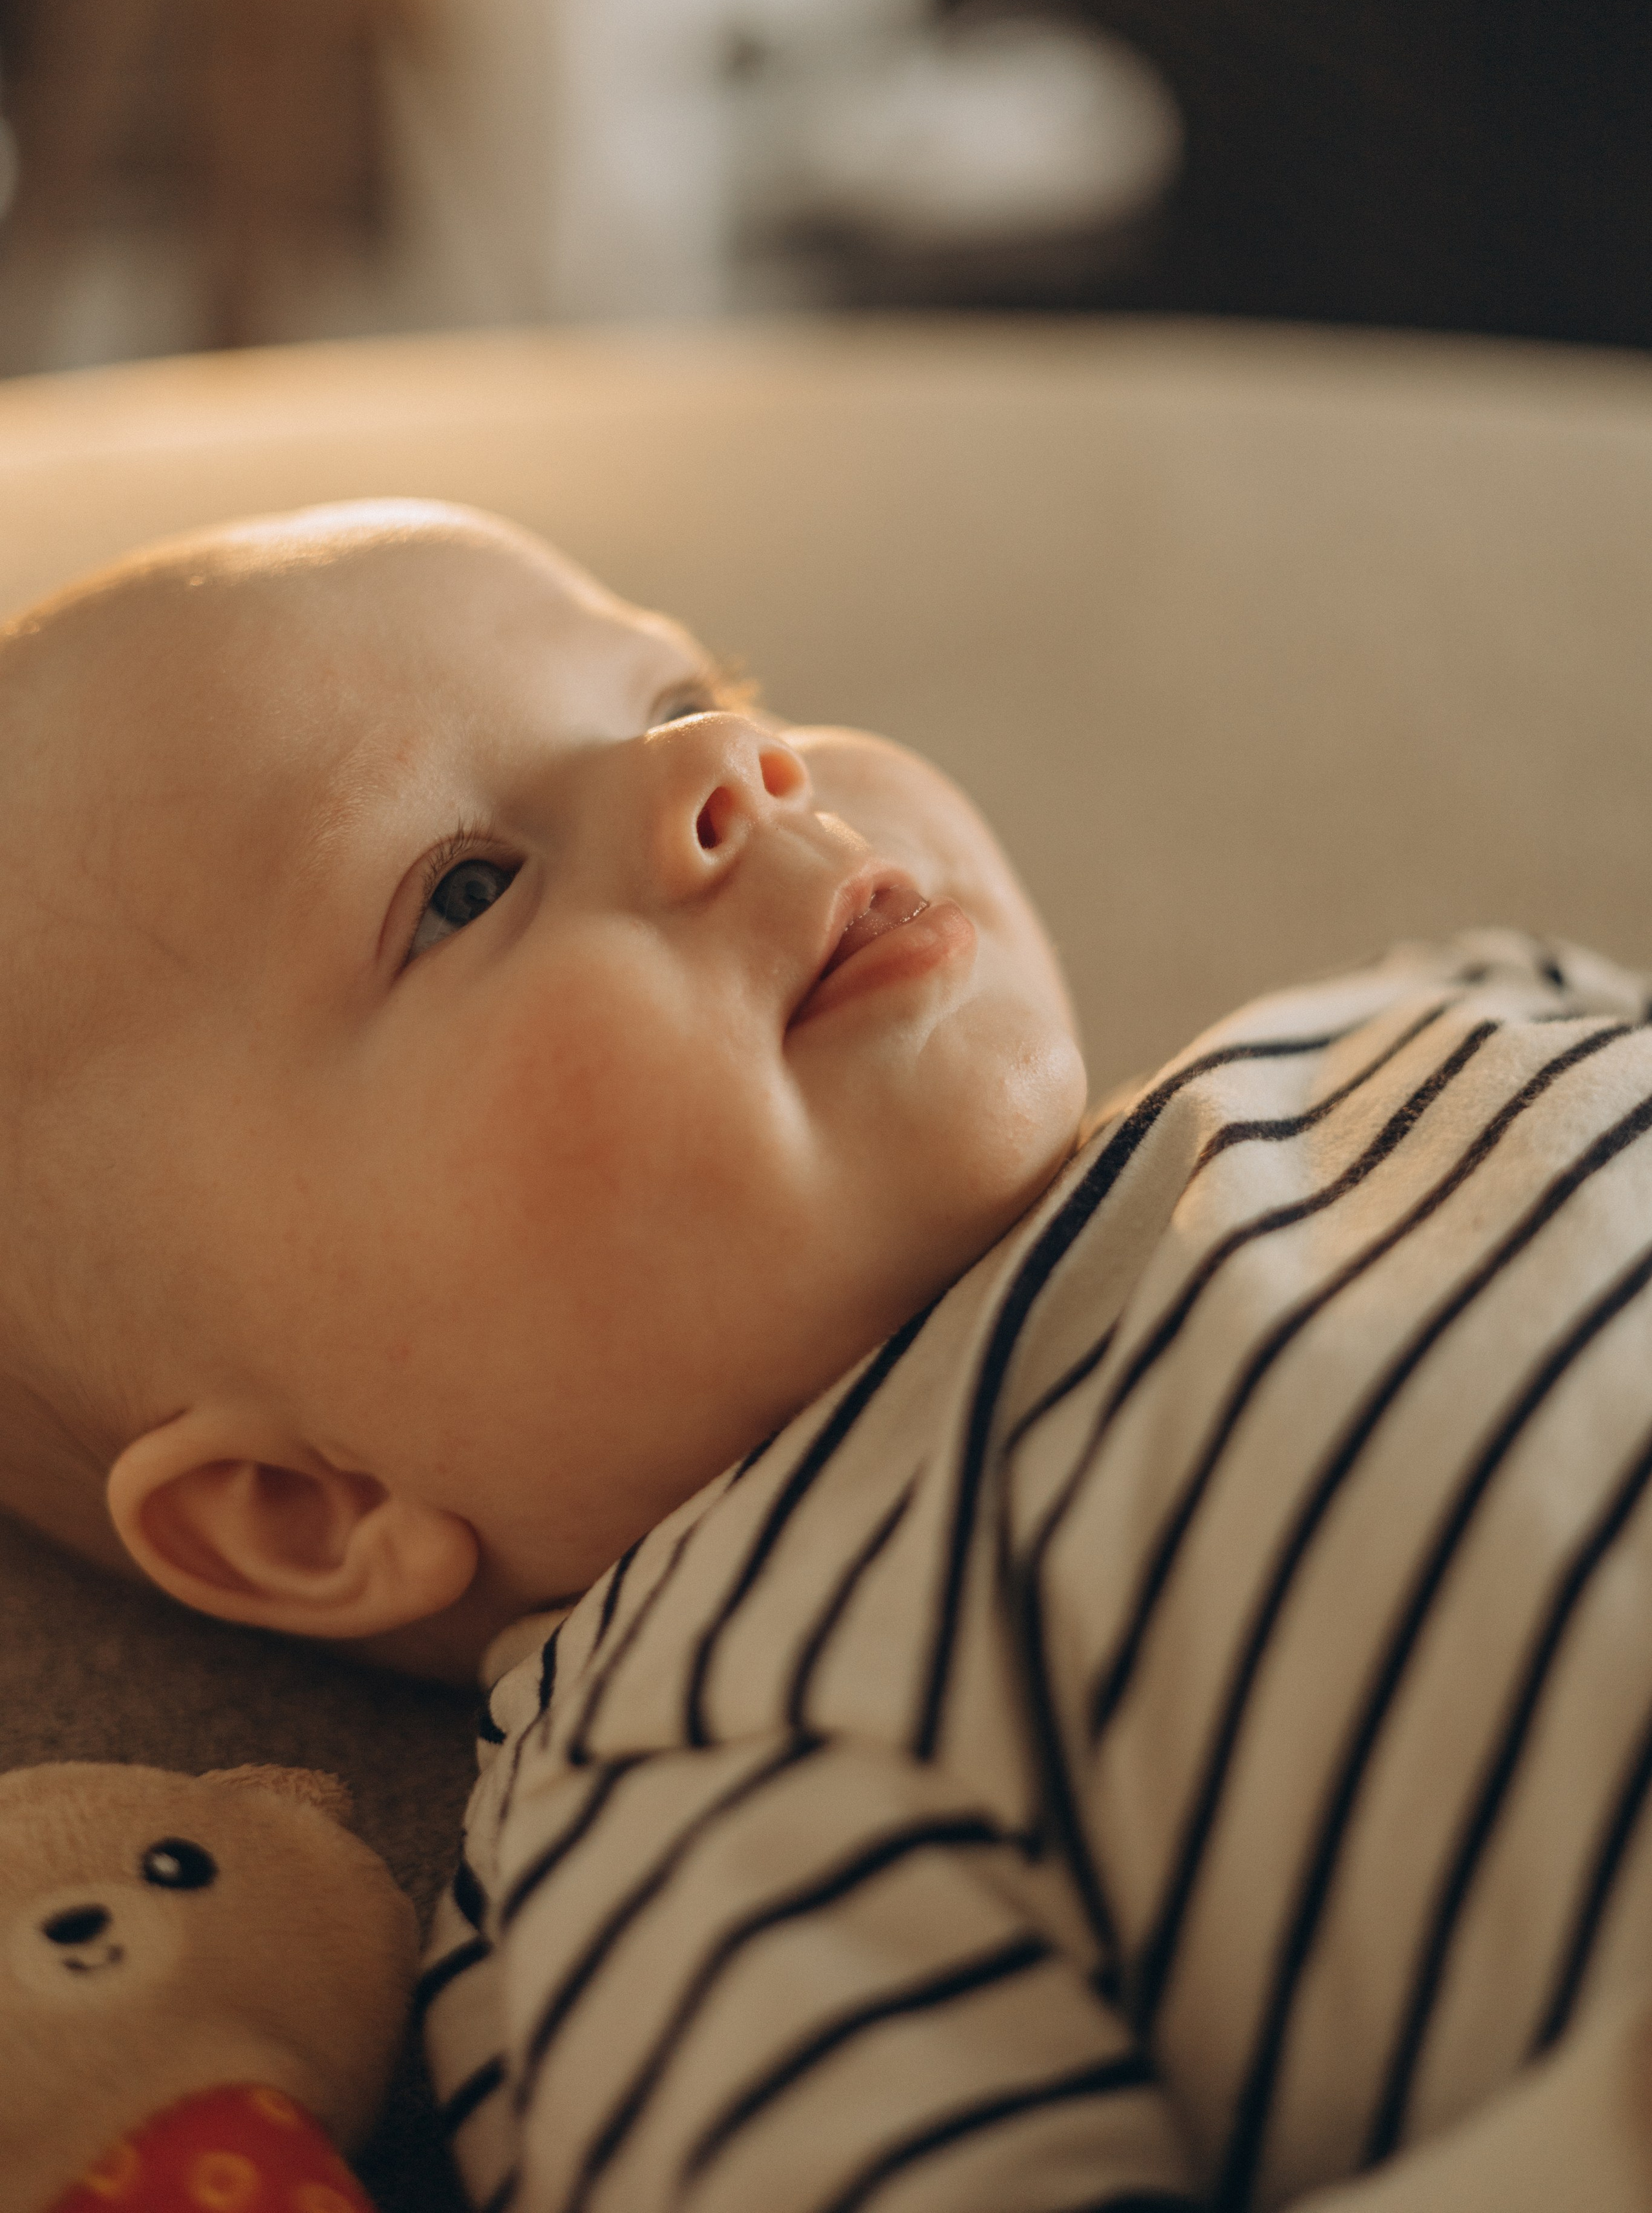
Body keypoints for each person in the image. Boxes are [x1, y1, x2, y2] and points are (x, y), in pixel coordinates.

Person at [4, 497, 1652, 2212]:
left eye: (680, 695)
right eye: (464, 890)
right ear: (301, 1503)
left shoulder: (1390, 1022)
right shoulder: (700, 1787)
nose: (730, 763)